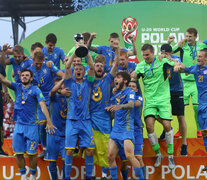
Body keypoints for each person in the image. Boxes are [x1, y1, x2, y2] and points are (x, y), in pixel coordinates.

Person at [0, 68, 56, 180]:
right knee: (18, 154)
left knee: (32, 154)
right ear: (20, 78)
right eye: (23, 75)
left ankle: (33, 176)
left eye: (27, 75)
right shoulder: (17, 87)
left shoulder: (36, 90)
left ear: (31, 78)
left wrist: (49, 121)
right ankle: (23, 175)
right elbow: (3, 80)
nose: (24, 77)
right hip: (19, 126)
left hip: (31, 126)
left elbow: (43, 105)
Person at [131, 44, 180, 169]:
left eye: (147, 55)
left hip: (163, 99)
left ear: (153, 53)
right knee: (149, 126)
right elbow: (133, 76)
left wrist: (175, 64)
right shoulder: (141, 66)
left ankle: (170, 156)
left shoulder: (161, 60)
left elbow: (175, 63)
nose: (146, 57)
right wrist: (128, 82)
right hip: (150, 101)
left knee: (167, 125)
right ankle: (158, 154)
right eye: (144, 55)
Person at [168, 28, 207, 138]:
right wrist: (177, 43)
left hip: (196, 82)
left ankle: (199, 129)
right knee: (180, 108)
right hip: (183, 81)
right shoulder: (183, 45)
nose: (188, 38)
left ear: (195, 36)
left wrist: (202, 42)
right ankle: (180, 129)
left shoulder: (201, 47)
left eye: (190, 36)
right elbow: (170, 51)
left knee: (196, 107)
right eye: (187, 36)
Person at [105, 71, 144, 180]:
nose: (115, 79)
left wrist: (119, 106)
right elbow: (113, 108)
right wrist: (110, 109)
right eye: (115, 78)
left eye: (118, 77)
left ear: (125, 81)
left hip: (127, 129)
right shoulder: (116, 94)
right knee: (110, 157)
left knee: (129, 156)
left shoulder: (129, 91)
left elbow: (131, 105)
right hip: (115, 130)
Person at [64, 46, 95, 180]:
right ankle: (66, 177)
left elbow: (92, 68)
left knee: (90, 150)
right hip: (72, 121)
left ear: (84, 72)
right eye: (76, 69)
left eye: (81, 69)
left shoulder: (89, 82)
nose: (78, 70)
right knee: (70, 151)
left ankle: (88, 177)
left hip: (85, 121)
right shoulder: (69, 82)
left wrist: (86, 53)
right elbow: (66, 67)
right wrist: (75, 54)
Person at [174, 48, 207, 171]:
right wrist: (177, 64)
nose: (198, 58)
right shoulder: (196, 68)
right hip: (201, 107)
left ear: (206, 58)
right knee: (204, 134)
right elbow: (183, 68)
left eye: (200, 56)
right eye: (197, 56)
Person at [90, 47, 120, 179]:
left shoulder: (107, 79)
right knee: (91, 149)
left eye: (101, 66)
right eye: (96, 65)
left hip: (105, 119)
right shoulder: (89, 80)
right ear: (93, 67)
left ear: (104, 68)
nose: (99, 68)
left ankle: (103, 175)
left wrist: (117, 50)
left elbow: (116, 64)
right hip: (91, 119)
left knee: (105, 149)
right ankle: (90, 175)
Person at [29, 51, 64, 158]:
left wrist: (58, 87)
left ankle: (56, 148)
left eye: (40, 63)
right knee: (42, 124)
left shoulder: (49, 66)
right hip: (39, 100)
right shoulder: (30, 69)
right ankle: (44, 149)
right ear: (33, 60)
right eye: (36, 63)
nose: (39, 65)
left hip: (51, 99)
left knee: (53, 124)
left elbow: (62, 75)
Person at [159, 44, 187, 156]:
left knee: (180, 117)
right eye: (162, 53)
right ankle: (166, 129)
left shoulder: (176, 59)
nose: (164, 55)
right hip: (164, 92)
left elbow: (183, 67)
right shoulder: (160, 61)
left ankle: (184, 144)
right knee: (161, 115)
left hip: (177, 91)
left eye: (166, 53)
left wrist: (175, 63)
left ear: (170, 53)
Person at [44, 78, 71, 180]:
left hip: (65, 134)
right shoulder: (52, 97)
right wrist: (63, 78)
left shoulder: (69, 97)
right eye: (57, 85)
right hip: (53, 133)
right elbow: (52, 91)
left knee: (66, 161)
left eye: (62, 85)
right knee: (52, 162)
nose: (60, 87)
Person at [118, 80, 145, 180]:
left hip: (136, 131)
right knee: (124, 162)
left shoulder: (139, 98)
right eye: (129, 86)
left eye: (133, 86)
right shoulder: (120, 98)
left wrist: (122, 104)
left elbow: (135, 104)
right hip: (123, 132)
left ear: (137, 89)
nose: (131, 88)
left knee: (139, 158)